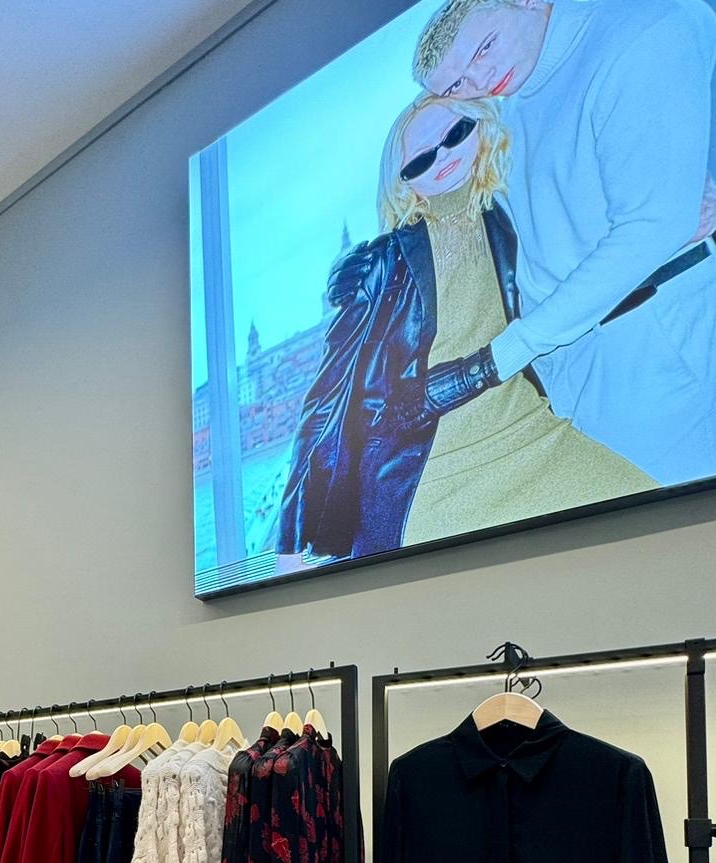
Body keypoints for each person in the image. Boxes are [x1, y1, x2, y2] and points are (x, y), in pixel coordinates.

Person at [275, 95, 652, 565]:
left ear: (480, 130)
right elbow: (327, 403)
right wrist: (290, 545)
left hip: (531, 431)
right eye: (422, 159)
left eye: (455, 134)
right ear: (404, 182)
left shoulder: (510, 214)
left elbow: (577, 290)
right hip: (430, 472)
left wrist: (666, 236)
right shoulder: (382, 263)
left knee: (652, 519)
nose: (444, 156)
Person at [412, 0, 716, 486]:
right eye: (455, 85)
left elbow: (652, 226)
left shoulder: (640, 29)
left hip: (662, 348)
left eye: (484, 47)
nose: (479, 80)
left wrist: (511, 350)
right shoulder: (508, 107)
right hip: (584, 375)